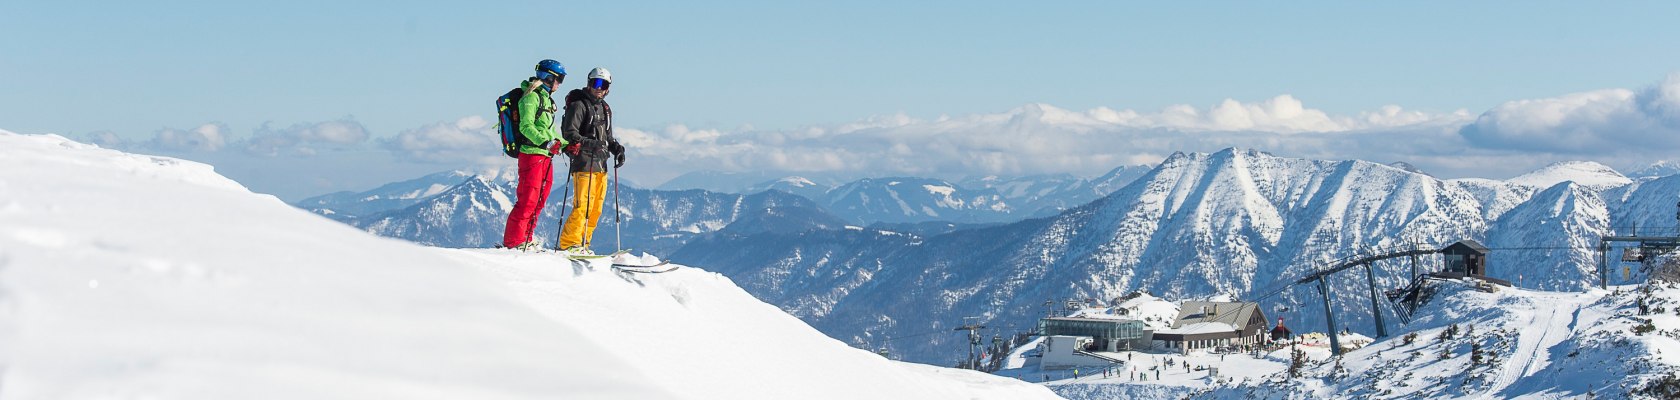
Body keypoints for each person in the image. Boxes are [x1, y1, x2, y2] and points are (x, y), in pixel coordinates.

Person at [501, 59, 567, 250]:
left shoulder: (547, 99)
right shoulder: (531, 97)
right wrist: (545, 142)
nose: (560, 84)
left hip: (545, 155)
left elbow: (550, 131)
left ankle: (527, 238)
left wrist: (567, 145)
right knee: (529, 199)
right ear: (549, 77)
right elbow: (526, 126)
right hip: (531, 154)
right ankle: (514, 241)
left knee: (540, 199)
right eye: (559, 79)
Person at [557, 67, 623, 253]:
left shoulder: (605, 109)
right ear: (589, 83)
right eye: (596, 83)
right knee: (582, 206)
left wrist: (616, 148)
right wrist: (590, 144)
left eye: (604, 84)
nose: (599, 88)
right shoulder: (579, 105)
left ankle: (584, 243)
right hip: (584, 163)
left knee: (595, 209)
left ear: (609, 88)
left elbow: (607, 138)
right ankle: (570, 243)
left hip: (601, 164)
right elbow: (569, 133)